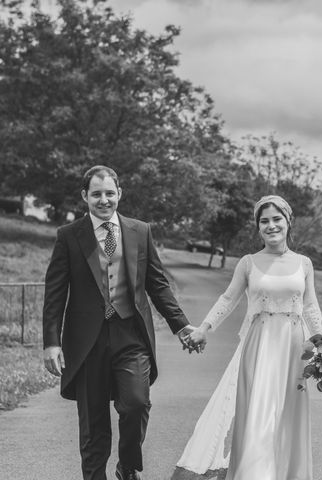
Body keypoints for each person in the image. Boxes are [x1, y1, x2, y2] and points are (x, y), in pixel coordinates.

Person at [42, 165, 205, 480]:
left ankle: (127, 466)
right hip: (86, 342)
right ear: (85, 196)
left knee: (136, 403)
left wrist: (181, 325)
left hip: (131, 335)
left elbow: (157, 285)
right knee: (93, 421)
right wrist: (51, 342)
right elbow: (55, 293)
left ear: (119, 194)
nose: (104, 200)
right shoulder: (69, 236)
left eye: (109, 193)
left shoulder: (140, 231)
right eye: (96, 194)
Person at [177, 195, 322, 480]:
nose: (271, 226)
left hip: (295, 348)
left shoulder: (304, 263)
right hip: (260, 344)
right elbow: (227, 299)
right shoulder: (248, 263)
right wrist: (204, 328)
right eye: (264, 221)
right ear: (258, 228)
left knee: (288, 416)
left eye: (276, 219)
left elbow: (311, 306)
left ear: (288, 221)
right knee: (257, 414)